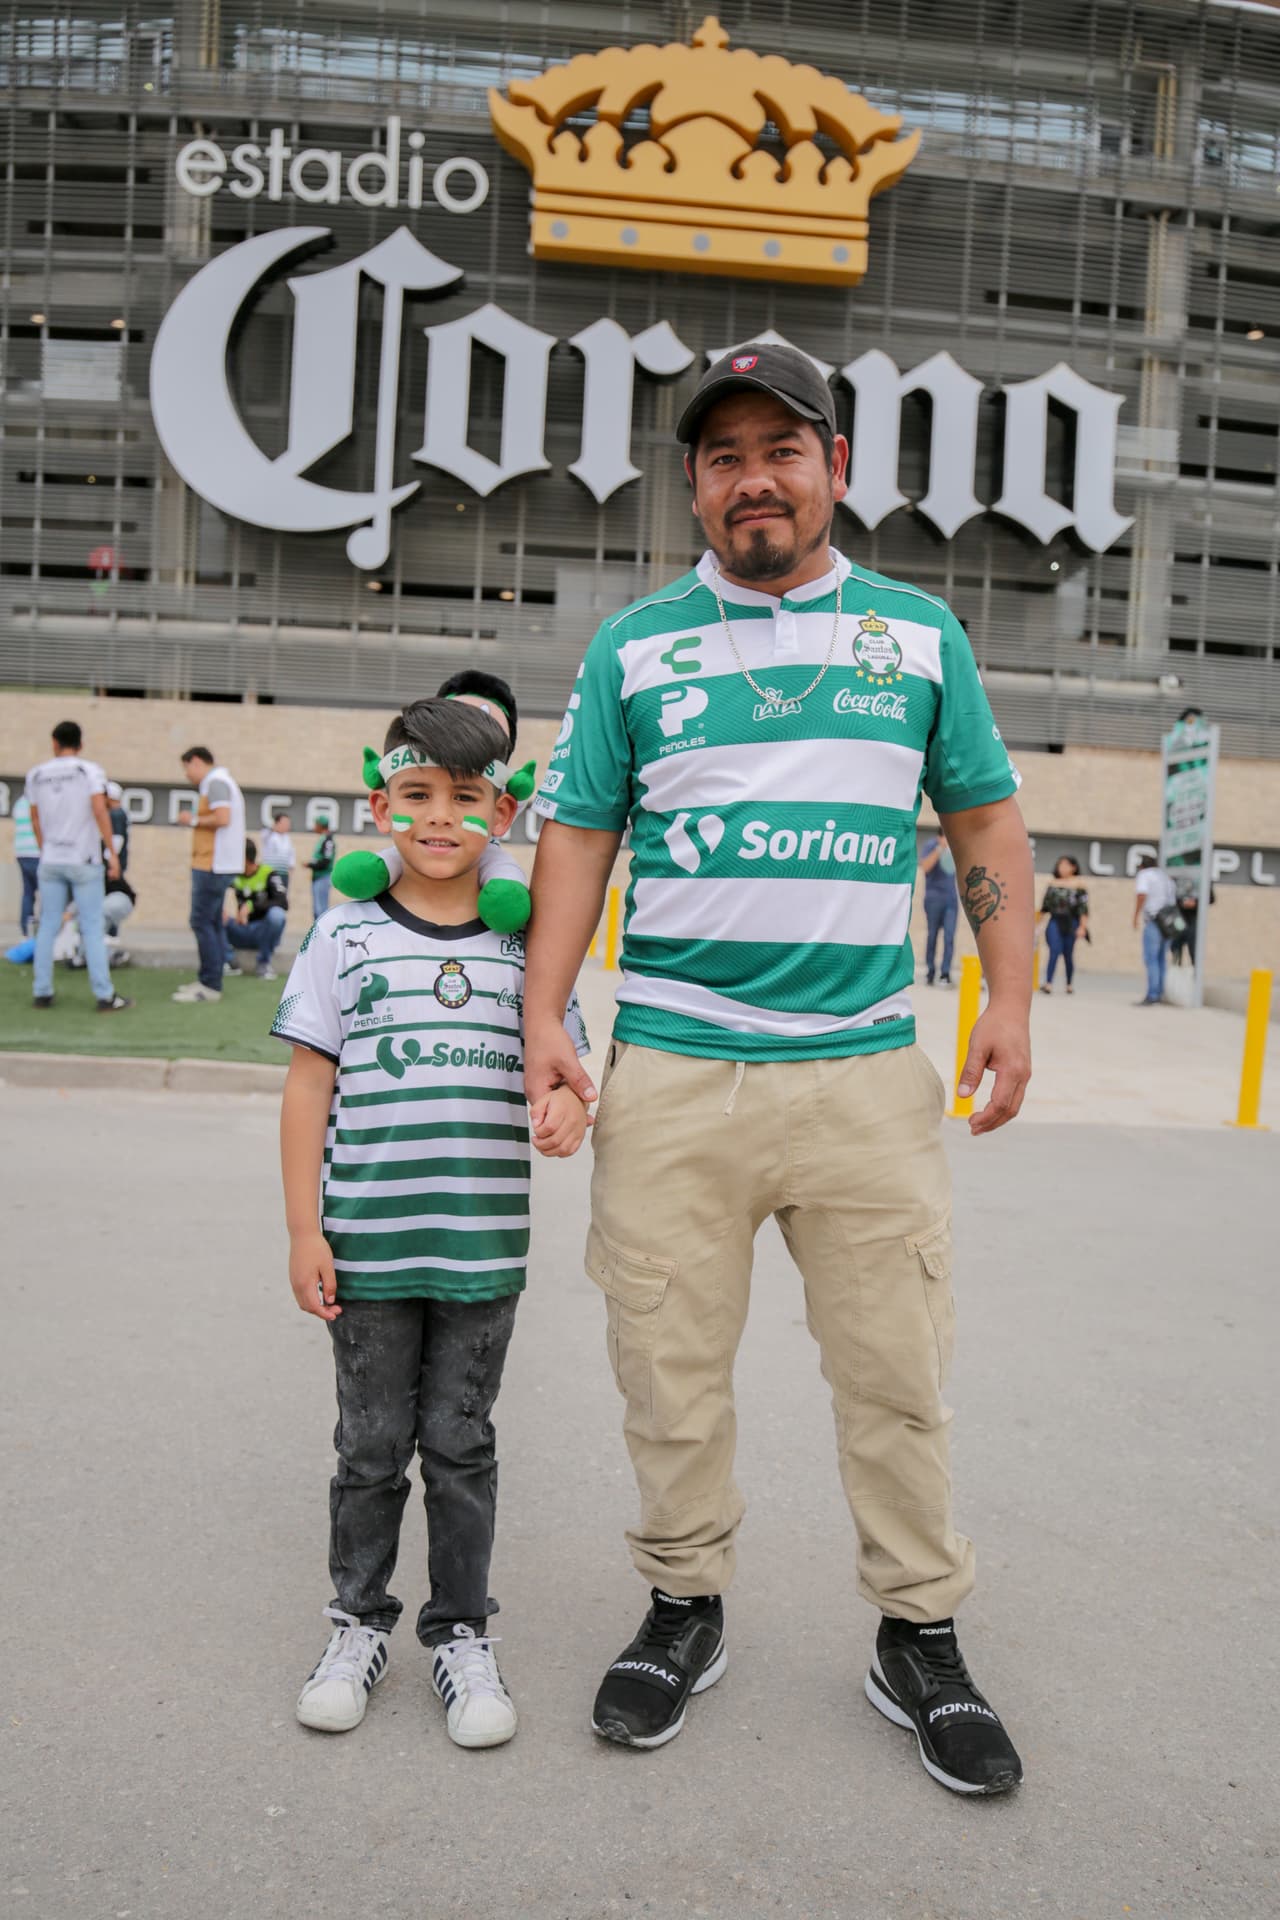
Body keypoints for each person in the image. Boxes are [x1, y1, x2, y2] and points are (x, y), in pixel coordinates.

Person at [525, 343, 1034, 1795]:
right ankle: (684, 1606)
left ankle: (917, 1635)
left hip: (863, 1077)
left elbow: (987, 826)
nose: (755, 478)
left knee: (898, 1376)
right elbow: (578, 835)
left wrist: (1009, 1003)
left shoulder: (919, 637)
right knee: (666, 1371)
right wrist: (544, 1015)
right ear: (694, 484)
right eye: (724, 455)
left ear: (835, 469)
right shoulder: (636, 649)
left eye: (783, 449)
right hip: (676, 1077)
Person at [273, 698, 590, 1747]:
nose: (440, 818)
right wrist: (302, 1230)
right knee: (368, 1449)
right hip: (364, 1248)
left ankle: (461, 1635)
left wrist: (561, 1108)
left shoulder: (524, 950)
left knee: (459, 1447)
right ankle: (354, 1624)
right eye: (418, 796)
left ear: (500, 811)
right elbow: (306, 1088)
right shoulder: (344, 933)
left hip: (480, 1251)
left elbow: (563, 1071)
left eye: (464, 798)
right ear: (382, 804)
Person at [25, 719, 130, 1013]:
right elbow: (99, 810)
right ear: (80, 744)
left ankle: (42, 992)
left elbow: (34, 818)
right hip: (84, 860)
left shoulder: (36, 774)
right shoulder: (89, 771)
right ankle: (104, 995)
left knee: (47, 925)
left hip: (51, 859)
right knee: (92, 927)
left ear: (54, 743)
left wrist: (45, 848)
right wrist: (112, 854)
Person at [174, 746, 246, 1004]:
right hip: (217, 865)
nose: (186, 774)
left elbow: (222, 818)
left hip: (212, 865)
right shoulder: (221, 781)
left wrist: (192, 820)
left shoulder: (215, 782)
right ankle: (210, 980)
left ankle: (210, 983)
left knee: (201, 921)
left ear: (196, 762)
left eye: (186, 767)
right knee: (212, 922)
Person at [223, 838, 288, 979]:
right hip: (241, 929)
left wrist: (251, 906)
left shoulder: (268, 873)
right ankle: (230, 962)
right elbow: (216, 891)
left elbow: (283, 902)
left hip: (263, 931)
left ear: (245, 859)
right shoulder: (233, 875)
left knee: (277, 915)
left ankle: (264, 963)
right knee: (213, 913)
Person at [1036, 855, 1089, 994]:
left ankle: (1069, 983)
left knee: (1068, 954)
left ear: (1074, 867)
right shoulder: (1053, 884)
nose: (1062, 868)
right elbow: (1045, 907)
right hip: (1055, 920)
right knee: (1054, 950)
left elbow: (1083, 908)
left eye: (1066, 865)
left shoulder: (1079, 885)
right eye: (1060, 865)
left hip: (1071, 922)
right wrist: (1036, 925)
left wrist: (1082, 927)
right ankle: (1048, 983)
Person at [1133, 854, 1178, 1006]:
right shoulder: (1165, 877)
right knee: (1161, 959)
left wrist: (1135, 915)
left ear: (1141, 866)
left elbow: (1141, 894)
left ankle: (1152, 995)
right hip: (1168, 922)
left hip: (1153, 920)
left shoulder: (1145, 875)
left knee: (1151, 958)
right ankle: (1160, 993)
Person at [918, 828, 958, 985]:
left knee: (949, 937)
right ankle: (930, 971)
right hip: (934, 899)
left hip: (951, 899)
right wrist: (940, 848)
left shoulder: (955, 846)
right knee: (932, 936)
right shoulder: (931, 845)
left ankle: (945, 973)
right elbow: (925, 867)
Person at [12, 791, 40, 937]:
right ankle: (44, 932)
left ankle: (26, 932)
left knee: (28, 893)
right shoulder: (36, 803)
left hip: (21, 853)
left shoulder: (18, 804)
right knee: (48, 894)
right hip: (36, 852)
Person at [307, 814, 337, 919]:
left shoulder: (328, 840)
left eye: (316, 824)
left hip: (323, 876)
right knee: (317, 909)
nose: (314, 827)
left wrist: (311, 864)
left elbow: (326, 860)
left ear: (320, 825)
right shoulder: (323, 838)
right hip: (318, 877)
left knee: (321, 910)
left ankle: (321, 935)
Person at [261, 811, 297, 875]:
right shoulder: (269, 835)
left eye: (288, 823)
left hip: (283, 872)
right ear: (277, 823)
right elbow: (263, 835)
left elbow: (291, 853)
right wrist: (273, 828)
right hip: (270, 872)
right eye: (284, 823)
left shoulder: (287, 838)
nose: (287, 825)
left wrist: (291, 865)